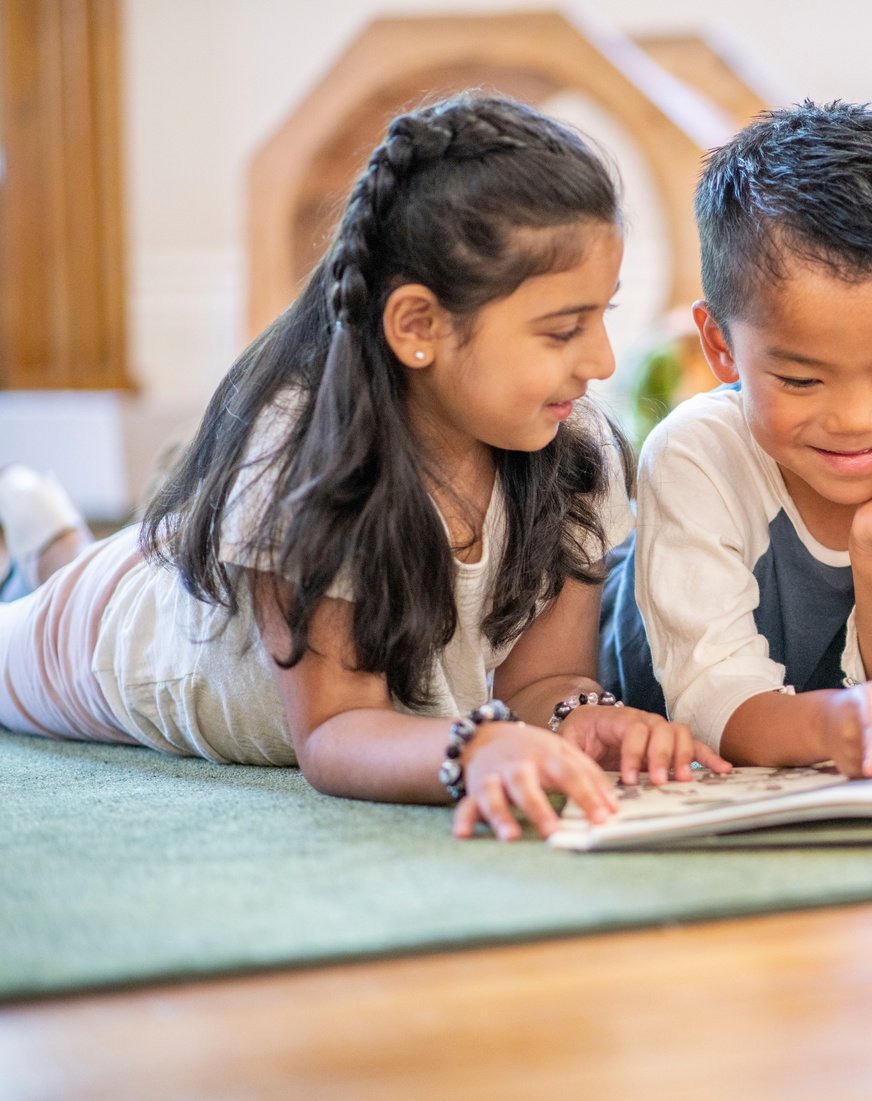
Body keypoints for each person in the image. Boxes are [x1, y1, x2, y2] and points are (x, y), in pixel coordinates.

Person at [0, 94, 727, 841]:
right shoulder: (305, 456)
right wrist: (474, 745)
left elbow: (533, 685)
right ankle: (51, 556)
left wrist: (583, 716)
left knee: (73, 567)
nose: (601, 359)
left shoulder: (575, 449)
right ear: (418, 326)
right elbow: (337, 730)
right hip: (127, 641)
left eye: (603, 315)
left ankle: (50, 543)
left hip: (185, 582)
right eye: (563, 329)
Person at [600, 101, 872, 777]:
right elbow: (710, 699)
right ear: (720, 345)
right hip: (652, 705)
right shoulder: (695, 453)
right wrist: (841, 724)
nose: (855, 419)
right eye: (800, 380)